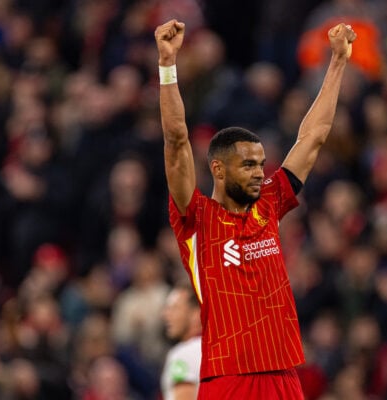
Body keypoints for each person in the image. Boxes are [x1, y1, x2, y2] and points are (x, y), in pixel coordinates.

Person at [154, 18, 356, 399]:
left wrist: (337, 61)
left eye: (261, 164)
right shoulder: (195, 219)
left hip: (283, 375)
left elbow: (313, 136)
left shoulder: (269, 200)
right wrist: (168, 65)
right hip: (228, 378)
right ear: (217, 169)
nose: (258, 173)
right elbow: (176, 139)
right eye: (248, 165)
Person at [161, 285, 202, 400]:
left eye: (174, 308)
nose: (165, 315)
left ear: (196, 313)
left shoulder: (184, 354)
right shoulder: (217, 348)